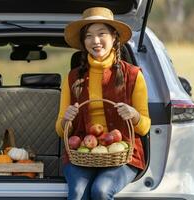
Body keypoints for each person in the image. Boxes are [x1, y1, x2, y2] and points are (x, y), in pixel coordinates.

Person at [55, 7, 151, 200]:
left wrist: (134, 115)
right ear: (83, 42)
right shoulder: (72, 78)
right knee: (77, 192)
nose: (95, 41)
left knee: (101, 190)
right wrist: (67, 120)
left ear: (114, 37)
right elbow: (60, 129)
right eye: (89, 36)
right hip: (83, 153)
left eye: (101, 34)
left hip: (123, 154)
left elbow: (145, 126)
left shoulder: (133, 75)